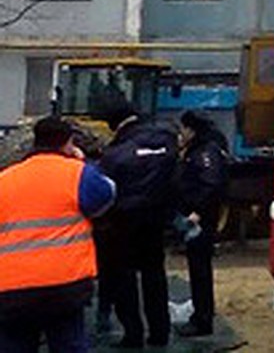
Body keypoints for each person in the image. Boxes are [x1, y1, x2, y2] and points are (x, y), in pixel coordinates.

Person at [0, 115, 115, 353]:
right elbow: (106, 196)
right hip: (65, 285)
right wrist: (84, 163)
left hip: (12, 288)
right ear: (68, 142)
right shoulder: (78, 173)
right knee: (69, 343)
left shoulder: (5, 179)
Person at [99, 104, 176, 349]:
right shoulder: (167, 142)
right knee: (155, 275)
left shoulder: (116, 152)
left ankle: (133, 334)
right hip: (156, 217)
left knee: (124, 277)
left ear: (116, 124)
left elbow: (105, 189)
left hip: (124, 221)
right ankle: (160, 332)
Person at [173, 112, 229, 338]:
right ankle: (200, 315)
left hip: (200, 222)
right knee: (198, 269)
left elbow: (211, 184)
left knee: (200, 271)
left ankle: (202, 319)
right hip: (197, 218)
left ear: (191, 130)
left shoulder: (204, 153)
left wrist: (198, 212)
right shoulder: (201, 150)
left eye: (182, 129)